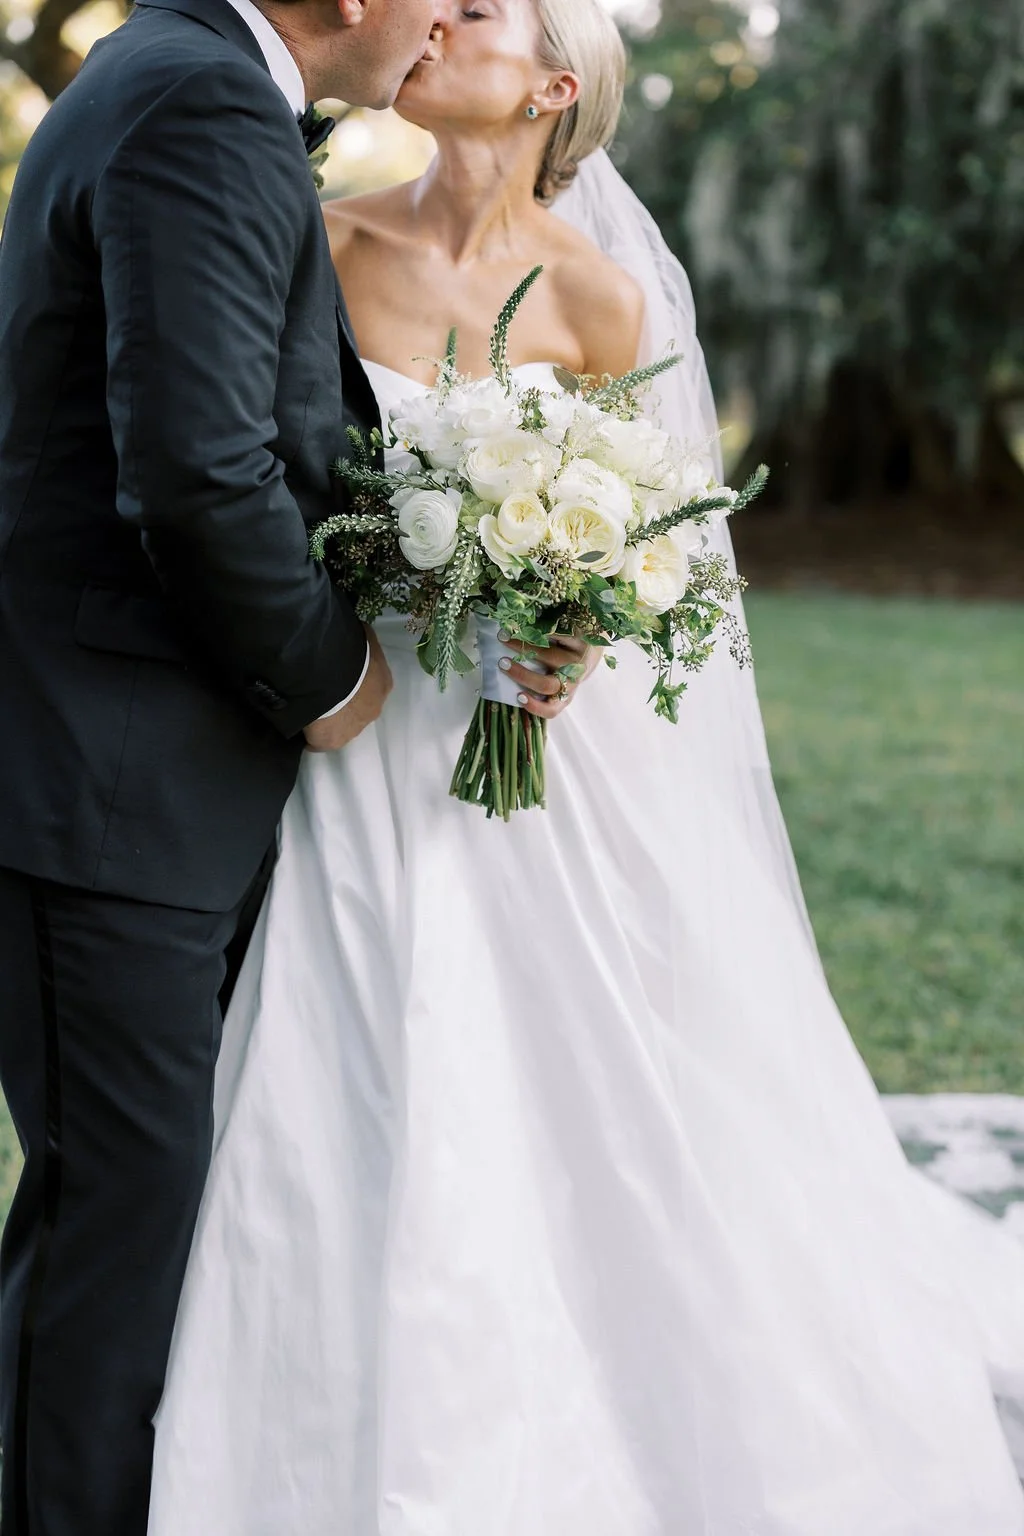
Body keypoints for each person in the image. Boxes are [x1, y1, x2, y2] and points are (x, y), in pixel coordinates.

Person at [150, 0, 1024, 1531]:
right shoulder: (324, 242)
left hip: (536, 763)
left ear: (556, 86)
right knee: (347, 1062)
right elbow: (255, 477)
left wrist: (569, 633)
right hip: (353, 732)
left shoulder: (608, 305)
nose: (433, 18)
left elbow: (653, 547)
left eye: (478, 11)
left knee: (597, 1079)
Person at [0, 0, 451, 1528]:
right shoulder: (198, 104)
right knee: (109, 1242)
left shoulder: (175, 81)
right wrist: (330, 682)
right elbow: (199, 471)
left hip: (130, 778)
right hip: (105, 787)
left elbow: (269, 430)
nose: (449, 18)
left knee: (125, 1226)